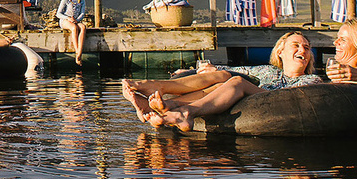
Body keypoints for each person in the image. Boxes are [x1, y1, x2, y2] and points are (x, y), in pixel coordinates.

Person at [121, 32, 321, 132]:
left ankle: (184, 112)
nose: (302, 50)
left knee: (238, 83)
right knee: (222, 80)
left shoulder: (312, 79)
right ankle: (160, 103)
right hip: (256, 91)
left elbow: (298, 98)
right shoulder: (267, 70)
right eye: (296, 45)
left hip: (275, 100)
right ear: (280, 51)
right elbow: (236, 70)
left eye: (306, 47)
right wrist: (192, 72)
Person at [56, 0, 87, 65]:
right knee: (74, 28)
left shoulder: (82, 1)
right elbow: (59, 14)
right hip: (65, 20)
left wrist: (76, 20)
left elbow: (82, 13)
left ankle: (79, 52)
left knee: (83, 27)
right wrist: (69, 18)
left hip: (76, 20)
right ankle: (77, 53)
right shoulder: (65, 0)